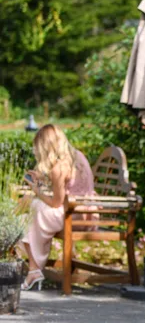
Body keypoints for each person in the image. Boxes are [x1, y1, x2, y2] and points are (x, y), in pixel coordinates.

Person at [20, 124, 94, 290]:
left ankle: (35, 269)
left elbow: (56, 203)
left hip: (72, 215)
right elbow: (69, 188)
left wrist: (36, 190)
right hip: (87, 213)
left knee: (33, 208)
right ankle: (34, 269)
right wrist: (43, 179)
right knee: (27, 217)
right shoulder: (77, 156)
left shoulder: (59, 168)